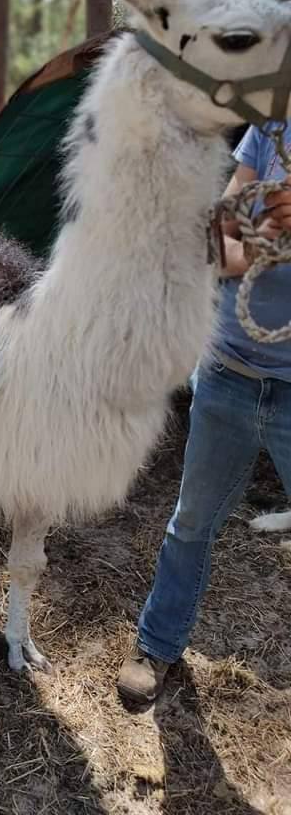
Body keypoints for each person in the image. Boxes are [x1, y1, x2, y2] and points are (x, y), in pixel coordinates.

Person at [116, 121, 291, 703]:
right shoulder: (270, 135)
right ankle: (158, 645)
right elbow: (214, 249)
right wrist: (269, 242)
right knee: (190, 522)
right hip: (229, 375)